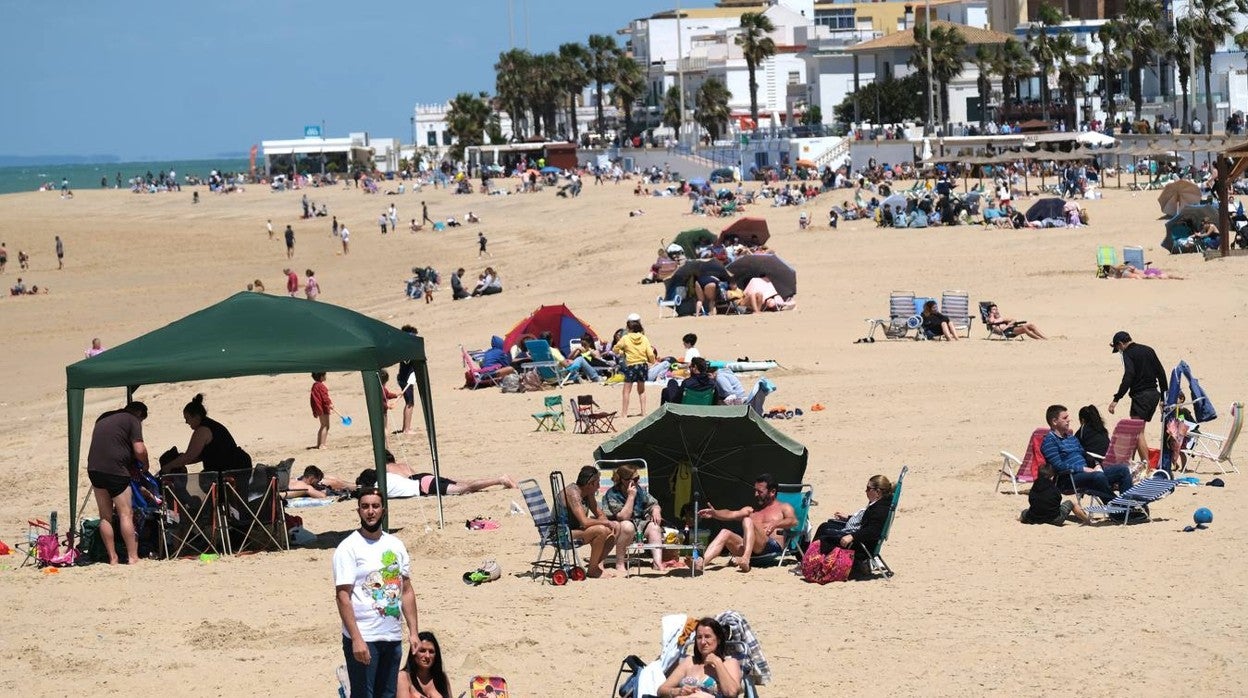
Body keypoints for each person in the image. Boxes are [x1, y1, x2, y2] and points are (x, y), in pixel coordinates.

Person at [334, 489, 419, 698]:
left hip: (391, 635)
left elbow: (406, 590)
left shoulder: (396, 545)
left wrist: (414, 631)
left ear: (383, 510)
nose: (370, 512)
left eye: (375, 506)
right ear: (358, 511)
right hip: (365, 635)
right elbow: (343, 596)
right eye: (365, 507)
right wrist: (356, 639)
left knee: (388, 694)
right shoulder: (348, 548)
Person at [86, 401, 149, 564]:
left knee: (105, 516)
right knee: (125, 513)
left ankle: (112, 558)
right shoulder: (132, 420)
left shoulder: (104, 417)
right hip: (116, 471)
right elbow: (139, 449)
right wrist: (145, 463)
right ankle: (132, 557)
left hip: (94, 469)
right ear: (140, 414)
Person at [696, 473, 797, 573]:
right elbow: (730, 514)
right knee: (725, 532)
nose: (755, 494)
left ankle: (745, 559)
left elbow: (793, 521)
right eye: (755, 491)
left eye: (760, 491)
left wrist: (776, 524)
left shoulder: (783, 507)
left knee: (747, 519)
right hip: (751, 549)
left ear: (772, 492)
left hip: (771, 547)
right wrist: (715, 513)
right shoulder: (751, 510)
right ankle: (702, 563)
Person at [1040, 404, 1133, 504]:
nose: (1069, 420)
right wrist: (1084, 469)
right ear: (1054, 421)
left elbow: (1084, 454)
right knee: (1097, 477)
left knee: (1122, 470)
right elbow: (1058, 466)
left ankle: (1128, 505)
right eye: (1065, 418)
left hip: (1087, 474)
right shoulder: (1049, 441)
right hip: (1067, 479)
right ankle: (1118, 509)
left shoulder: (1071, 437)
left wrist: (1096, 464)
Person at [601, 463, 679, 571]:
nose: (638, 481)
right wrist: (631, 496)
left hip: (639, 523)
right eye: (636, 479)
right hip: (619, 526)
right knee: (628, 526)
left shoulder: (640, 490)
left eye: (638, 478)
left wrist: (656, 511)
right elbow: (623, 517)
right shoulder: (613, 494)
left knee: (655, 527)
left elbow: (654, 503)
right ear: (624, 480)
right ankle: (620, 563)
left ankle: (657, 562)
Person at [351, 451, 517, 499]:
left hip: (421, 484)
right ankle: (497, 479)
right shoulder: (403, 465)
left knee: (464, 489)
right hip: (425, 477)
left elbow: (402, 483)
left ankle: (499, 479)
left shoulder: (386, 470)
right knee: (464, 483)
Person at [1108, 331, 1167, 461]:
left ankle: (1145, 466)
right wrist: (1163, 398)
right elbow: (1161, 373)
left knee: (1137, 432)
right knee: (1137, 431)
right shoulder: (1149, 350)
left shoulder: (1128, 353)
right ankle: (1133, 461)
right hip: (1153, 395)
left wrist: (1116, 398)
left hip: (1141, 396)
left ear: (1120, 344)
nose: (1119, 352)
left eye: (1118, 349)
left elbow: (1129, 375)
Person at [160, 394, 252, 474]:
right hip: (232, 466)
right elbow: (198, 456)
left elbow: (189, 456)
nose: (186, 422)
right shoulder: (208, 425)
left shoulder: (203, 430)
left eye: (187, 418)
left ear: (196, 416)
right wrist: (178, 462)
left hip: (234, 469)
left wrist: (168, 467)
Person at [557, 465, 622, 577]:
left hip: (577, 530)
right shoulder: (573, 494)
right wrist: (605, 523)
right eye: (597, 483)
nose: (599, 486)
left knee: (616, 527)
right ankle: (593, 570)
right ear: (590, 483)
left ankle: (596, 565)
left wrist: (610, 524)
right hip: (562, 533)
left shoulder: (588, 492)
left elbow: (599, 514)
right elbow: (584, 522)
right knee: (601, 530)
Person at [656, 617, 742, 698]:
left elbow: (732, 692)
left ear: (718, 640)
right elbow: (661, 690)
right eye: (699, 637)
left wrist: (717, 662)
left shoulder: (729, 663)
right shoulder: (689, 662)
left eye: (707, 636)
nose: (703, 642)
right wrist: (678, 691)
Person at [814, 474, 893, 560]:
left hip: (861, 545)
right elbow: (866, 521)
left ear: (878, 492)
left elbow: (872, 531)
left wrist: (852, 536)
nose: (865, 491)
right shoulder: (879, 504)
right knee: (825, 526)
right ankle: (807, 558)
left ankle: (811, 561)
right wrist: (848, 518)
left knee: (824, 537)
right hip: (860, 536)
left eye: (868, 489)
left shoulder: (880, 509)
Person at [613, 314, 657, 417]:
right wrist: (652, 361)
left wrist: (620, 351)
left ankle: (624, 414)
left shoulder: (625, 338)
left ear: (628, 328)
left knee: (626, 391)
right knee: (641, 390)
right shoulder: (644, 338)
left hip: (631, 366)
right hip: (642, 365)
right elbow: (650, 353)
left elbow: (615, 348)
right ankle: (643, 412)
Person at [1020, 465, 1088, 525]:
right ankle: (1087, 520)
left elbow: (1031, 499)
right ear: (1052, 477)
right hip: (1055, 519)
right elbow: (1058, 499)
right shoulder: (1053, 488)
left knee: (1025, 512)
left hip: (1034, 518)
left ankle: (1019, 519)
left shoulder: (1035, 486)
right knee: (1071, 503)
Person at [398, 631, 451, 698]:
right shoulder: (403, 677)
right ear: (414, 652)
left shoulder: (441, 678)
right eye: (422, 651)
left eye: (431, 652)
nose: (427, 656)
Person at [395, 325, 423, 434]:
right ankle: (406, 429)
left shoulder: (405, 348)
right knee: (410, 403)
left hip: (406, 378)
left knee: (410, 402)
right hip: (405, 379)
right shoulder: (405, 350)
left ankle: (406, 427)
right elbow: (406, 361)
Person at [311, 372, 332, 449]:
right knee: (326, 426)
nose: (326, 376)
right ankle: (322, 444)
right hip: (323, 408)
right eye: (325, 375)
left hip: (319, 408)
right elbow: (324, 397)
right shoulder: (320, 386)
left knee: (322, 425)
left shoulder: (315, 386)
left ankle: (319, 444)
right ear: (321, 376)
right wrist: (330, 404)